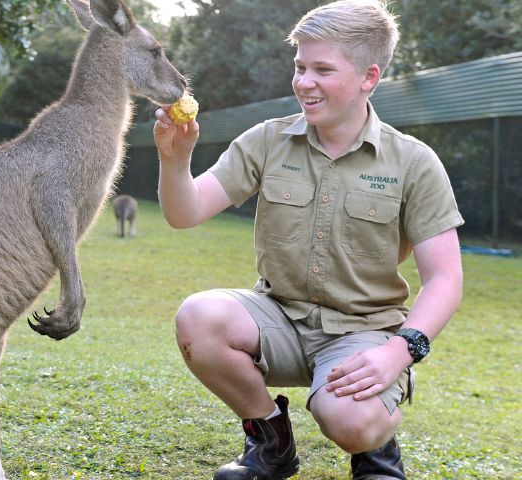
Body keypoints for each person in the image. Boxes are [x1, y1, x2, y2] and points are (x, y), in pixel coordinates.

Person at [152, 1, 463, 479]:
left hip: (362, 331)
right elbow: (185, 212)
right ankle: (271, 443)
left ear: (369, 77)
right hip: (279, 317)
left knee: (351, 421)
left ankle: (377, 443)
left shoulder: (414, 163)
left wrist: (398, 351)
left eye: (322, 69)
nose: (303, 82)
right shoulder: (267, 140)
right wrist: (175, 162)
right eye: (300, 67)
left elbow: (444, 279)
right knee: (199, 317)